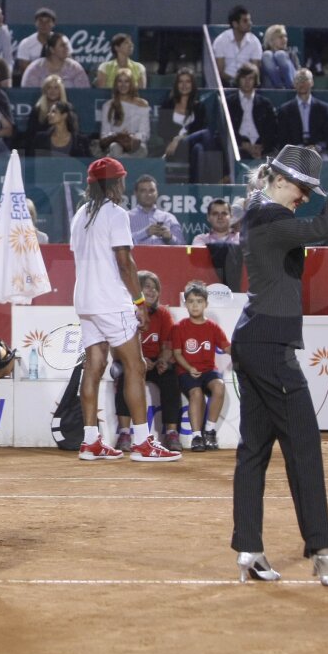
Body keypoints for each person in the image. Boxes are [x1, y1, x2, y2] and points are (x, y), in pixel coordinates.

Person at [231, 142, 328, 588]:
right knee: (305, 447)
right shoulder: (270, 217)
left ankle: (249, 549)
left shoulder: (260, 209)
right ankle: (324, 553)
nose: (305, 195)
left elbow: (321, 226)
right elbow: (323, 223)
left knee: (254, 448)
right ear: (277, 179)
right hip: (269, 345)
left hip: (255, 340)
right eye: (302, 186)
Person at [72, 157, 183, 462]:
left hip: (85, 301)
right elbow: (125, 263)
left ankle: (90, 441)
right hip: (111, 301)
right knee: (135, 367)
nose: (123, 185)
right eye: (120, 180)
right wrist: (139, 302)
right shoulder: (116, 214)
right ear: (115, 184)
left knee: (93, 367)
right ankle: (142, 442)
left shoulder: (80, 215)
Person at [111, 270, 183, 452]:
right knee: (127, 376)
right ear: (137, 291)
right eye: (147, 287)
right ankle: (125, 433)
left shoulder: (164, 315)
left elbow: (167, 345)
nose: (152, 291)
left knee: (171, 377)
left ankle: (172, 433)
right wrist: (138, 360)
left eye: (155, 288)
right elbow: (116, 350)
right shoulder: (126, 313)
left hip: (154, 361)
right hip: (131, 360)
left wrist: (162, 361)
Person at [172, 281, 230, 451]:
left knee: (219, 387)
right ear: (185, 304)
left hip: (209, 371)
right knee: (196, 393)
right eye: (191, 301)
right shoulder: (179, 328)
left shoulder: (213, 327)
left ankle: (209, 433)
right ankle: (196, 436)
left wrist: (245, 353)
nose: (195, 305)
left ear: (206, 304)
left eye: (199, 301)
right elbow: (176, 353)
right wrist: (189, 368)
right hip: (186, 372)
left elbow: (227, 347)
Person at [157, 68, 213, 180]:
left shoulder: (199, 106)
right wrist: (175, 141)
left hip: (190, 147)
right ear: (176, 85)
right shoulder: (168, 104)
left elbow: (201, 129)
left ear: (193, 85)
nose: (184, 85)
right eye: (181, 82)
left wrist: (178, 138)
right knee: (205, 137)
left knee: (198, 148)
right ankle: (223, 174)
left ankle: (195, 185)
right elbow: (162, 130)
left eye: (188, 81)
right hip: (172, 149)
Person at [277, 68, 328, 159]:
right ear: (294, 84)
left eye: (305, 80)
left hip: (318, 152)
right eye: (298, 81)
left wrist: (318, 147)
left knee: (325, 160)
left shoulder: (323, 109)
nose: (302, 84)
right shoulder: (285, 110)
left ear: (312, 82)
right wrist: (297, 148)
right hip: (294, 152)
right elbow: (282, 138)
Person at [226, 63, 279, 160]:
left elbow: (272, 130)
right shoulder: (229, 103)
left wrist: (261, 147)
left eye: (250, 78)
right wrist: (242, 144)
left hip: (262, 147)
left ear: (255, 80)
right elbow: (226, 129)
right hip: (238, 147)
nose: (247, 82)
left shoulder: (265, 104)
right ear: (238, 79)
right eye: (244, 78)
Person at [99, 68, 150, 158]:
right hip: (116, 142)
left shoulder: (142, 104)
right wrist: (117, 135)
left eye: (126, 81)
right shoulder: (107, 106)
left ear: (131, 84)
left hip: (135, 144)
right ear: (116, 84)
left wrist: (130, 137)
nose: (123, 85)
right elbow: (104, 134)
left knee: (142, 149)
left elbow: (145, 134)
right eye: (120, 81)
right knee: (114, 147)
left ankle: (121, 167)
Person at [129, 174, 184, 246]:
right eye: (143, 191)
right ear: (136, 193)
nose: (148, 194)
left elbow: (183, 246)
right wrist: (145, 233)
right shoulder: (127, 217)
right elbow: (121, 243)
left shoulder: (169, 218)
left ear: (157, 193)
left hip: (164, 256)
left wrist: (170, 238)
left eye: (152, 190)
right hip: (136, 257)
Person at [212, 6, 261, 87]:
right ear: (235, 24)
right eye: (245, 21)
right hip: (225, 82)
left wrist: (243, 81)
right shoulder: (221, 41)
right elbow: (219, 71)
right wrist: (236, 80)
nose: (250, 23)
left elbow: (255, 70)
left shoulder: (255, 42)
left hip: (247, 83)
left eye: (249, 20)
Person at [20, 32, 89, 89]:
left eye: (66, 45)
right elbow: (27, 93)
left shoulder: (75, 68)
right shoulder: (35, 68)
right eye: (62, 45)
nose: (67, 48)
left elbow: (84, 93)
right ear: (52, 50)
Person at [260, 24, 299, 89]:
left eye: (285, 36)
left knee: (280, 55)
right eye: (280, 37)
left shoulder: (291, 54)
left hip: (292, 84)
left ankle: (290, 88)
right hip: (271, 87)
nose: (284, 39)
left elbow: (298, 71)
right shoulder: (265, 55)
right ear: (271, 40)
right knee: (267, 55)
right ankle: (280, 87)